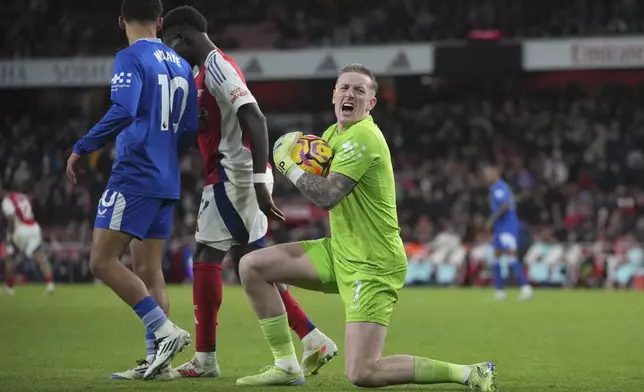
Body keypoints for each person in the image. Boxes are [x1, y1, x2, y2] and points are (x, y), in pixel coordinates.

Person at [234, 63, 498, 391]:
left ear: (371, 103)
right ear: (333, 94)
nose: (350, 94)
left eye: (360, 90)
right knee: (252, 266)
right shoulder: (333, 135)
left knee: (363, 372)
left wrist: (289, 166)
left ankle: (470, 373)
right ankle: (289, 362)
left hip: (372, 264)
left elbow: (328, 196)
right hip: (341, 251)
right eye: (344, 87)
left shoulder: (364, 138)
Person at [160, 6, 337, 378]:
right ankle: (312, 337)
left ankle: (208, 359)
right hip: (232, 175)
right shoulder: (203, 71)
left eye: (170, 45)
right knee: (254, 263)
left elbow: (255, 117)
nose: (171, 54)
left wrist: (258, 182)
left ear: (183, 37)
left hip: (234, 177)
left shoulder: (218, 66)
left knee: (207, 256)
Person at [65, 0, 198, 381]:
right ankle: (159, 364)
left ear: (121, 20)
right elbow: (188, 128)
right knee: (149, 269)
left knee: (102, 261)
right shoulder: (181, 65)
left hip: (135, 174)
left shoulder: (130, 57)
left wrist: (83, 146)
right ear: (160, 21)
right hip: (167, 178)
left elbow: (123, 109)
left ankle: (164, 331)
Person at [482, 165, 533, 301]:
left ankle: (525, 288)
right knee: (495, 258)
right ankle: (500, 292)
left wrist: (491, 220)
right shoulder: (494, 188)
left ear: (495, 174)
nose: (485, 177)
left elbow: (505, 206)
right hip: (500, 229)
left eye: (488, 174)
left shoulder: (499, 187)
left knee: (511, 256)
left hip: (507, 227)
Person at [1, 188, 55, 296]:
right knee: (40, 257)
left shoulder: (7, 201)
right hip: (33, 228)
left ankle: (9, 288)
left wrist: (9, 236)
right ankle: (50, 284)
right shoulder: (22, 196)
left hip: (20, 230)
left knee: (10, 257)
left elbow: (11, 218)